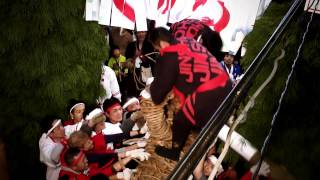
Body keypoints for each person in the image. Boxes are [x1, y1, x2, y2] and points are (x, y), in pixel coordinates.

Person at [147, 27, 232, 161]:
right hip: (226, 84)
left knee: (181, 119)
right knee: (192, 116)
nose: (159, 51)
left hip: (211, 91)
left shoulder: (170, 56)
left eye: (157, 48)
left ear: (162, 44)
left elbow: (158, 94)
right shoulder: (186, 40)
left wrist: (152, 88)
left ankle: (174, 152)